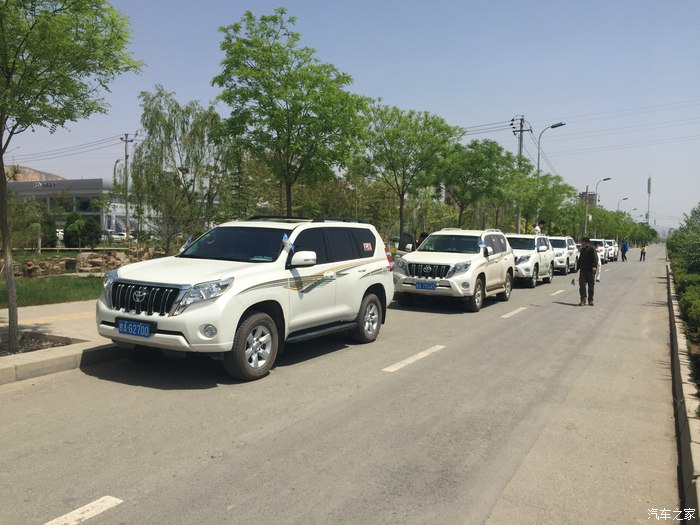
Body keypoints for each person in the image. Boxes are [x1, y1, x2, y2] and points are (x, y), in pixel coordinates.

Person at [578, 237, 598, 306]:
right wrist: (577, 267)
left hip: (590, 271)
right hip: (583, 270)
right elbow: (580, 259)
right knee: (582, 286)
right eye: (581, 243)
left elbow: (595, 258)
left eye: (583, 243)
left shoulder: (592, 249)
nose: (582, 244)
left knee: (591, 286)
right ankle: (583, 300)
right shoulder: (582, 250)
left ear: (587, 243)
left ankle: (590, 300)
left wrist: (594, 266)